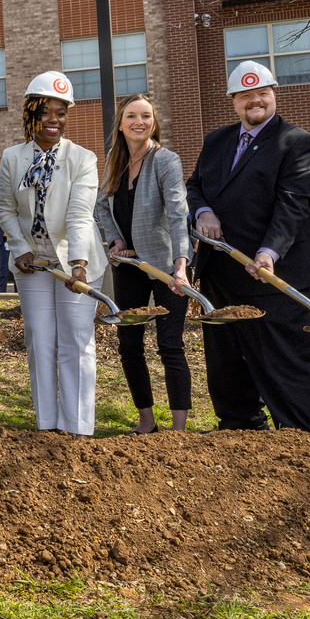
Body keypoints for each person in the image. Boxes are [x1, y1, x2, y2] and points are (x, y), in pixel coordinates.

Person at [185, 60, 310, 432]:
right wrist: (203, 212)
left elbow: (293, 205)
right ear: (234, 101)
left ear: (274, 95)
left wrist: (269, 252)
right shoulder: (216, 140)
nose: (255, 102)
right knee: (227, 361)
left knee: (282, 363)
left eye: (262, 94)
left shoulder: (296, 142)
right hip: (223, 274)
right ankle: (239, 430)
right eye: (246, 96)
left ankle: (298, 439)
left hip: (276, 277)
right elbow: (194, 186)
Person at [0, 71, 100, 434]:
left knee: (75, 338)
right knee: (39, 339)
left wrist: (78, 264)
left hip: (77, 262)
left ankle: (78, 427)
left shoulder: (82, 158)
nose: (54, 120)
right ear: (30, 113)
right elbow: (5, 209)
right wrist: (20, 248)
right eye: (45, 111)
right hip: (33, 264)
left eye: (61, 112)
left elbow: (79, 215)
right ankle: (48, 426)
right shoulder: (12, 157)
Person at [94, 92, 194, 433]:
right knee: (129, 344)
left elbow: (179, 214)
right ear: (120, 125)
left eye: (146, 116)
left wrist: (181, 266)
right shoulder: (113, 160)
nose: (140, 122)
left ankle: (178, 429)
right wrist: (116, 240)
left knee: (170, 344)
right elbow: (101, 208)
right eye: (132, 117)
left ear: (154, 123)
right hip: (130, 265)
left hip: (166, 267)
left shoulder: (166, 160)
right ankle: (146, 421)